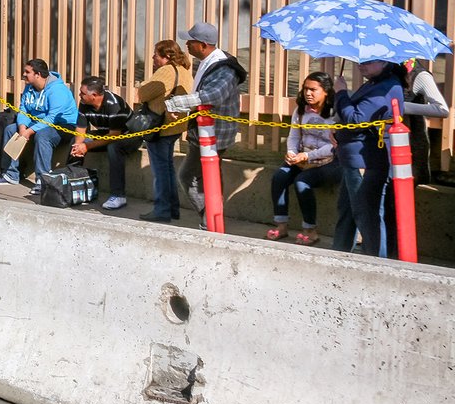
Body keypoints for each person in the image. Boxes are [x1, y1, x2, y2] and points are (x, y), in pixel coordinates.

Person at [164, 22, 248, 225]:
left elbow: (212, 95)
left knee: (191, 177)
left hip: (214, 135)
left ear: (203, 45)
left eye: (190, 42)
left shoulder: (224, 68)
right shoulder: (209, 61)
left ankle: (210, 220)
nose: (186, 45)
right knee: (206, 179)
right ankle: (211, 219)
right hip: (204, 131)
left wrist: (176, 103)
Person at [331, 61, 405, 258]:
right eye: (360, 60)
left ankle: (376, 264)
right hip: (352, 157)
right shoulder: (373, 83)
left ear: (384, 62)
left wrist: (340, 93)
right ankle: (338, 256)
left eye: (368, 61)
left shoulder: (386, 87)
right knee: (347, 212)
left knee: (367, 215)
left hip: (365, 160)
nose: (360, 65)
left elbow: (356, 120)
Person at [266, 72, 341, 245]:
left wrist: (307, 155)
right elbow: (293, 136)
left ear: (326, 92)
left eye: (313, 89)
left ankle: (310, 230)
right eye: (305, 89)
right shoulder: (300, 110)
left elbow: (333, 146)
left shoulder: (335, 113)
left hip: (329, 162)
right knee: (279, 177)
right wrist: (292, 153)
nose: (308, 93)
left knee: (302, 182)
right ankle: (281, 226)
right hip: (302, 158)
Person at [0, 59, 79, 194]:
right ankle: (11, 174)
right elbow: (23, 110)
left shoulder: (57, 90)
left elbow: (52, 118)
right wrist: (22, 127)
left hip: (62, 125)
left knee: (43, 135)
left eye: (27, 72)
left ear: (38, 74)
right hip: (37, 122)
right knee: (10, 129)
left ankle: (42, 180)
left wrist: (30, 131)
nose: (24, 74)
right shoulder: (29, 87)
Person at [135, 40, 192, 223]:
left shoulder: (166, 71)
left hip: (160, 127)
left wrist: (144, 84)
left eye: (156, 54)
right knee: (168, 168)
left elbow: (144, 94)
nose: (153, 57)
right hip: (175, 126)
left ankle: (162, 209)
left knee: (160, 170)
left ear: (167, 56)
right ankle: (172, 208)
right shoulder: (184, 70)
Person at [69, 76, 134, 210]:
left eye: (82, 93)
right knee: (74, 143)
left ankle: (118, 195)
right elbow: (81, 129)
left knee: (113, 147)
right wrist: (79, 146)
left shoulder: (114, 104)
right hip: (106, 134)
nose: (79, 95)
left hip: (128, 136)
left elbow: (114, 136)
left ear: (94, 95)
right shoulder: (84, 103)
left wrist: (86, 146)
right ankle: (71, 185)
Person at [401, 58, 450, 184]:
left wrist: (401, 107)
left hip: (409, 145)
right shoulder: (384, 71)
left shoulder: (419, 75)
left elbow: (442, 110)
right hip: (381, 145)